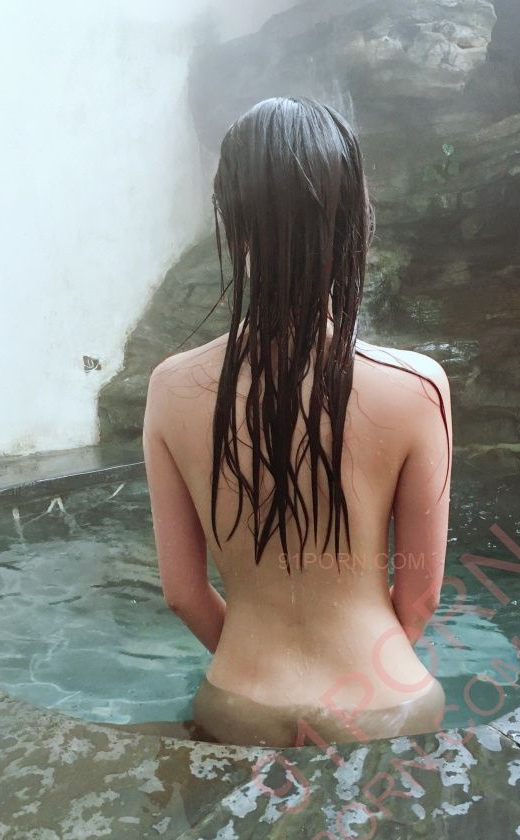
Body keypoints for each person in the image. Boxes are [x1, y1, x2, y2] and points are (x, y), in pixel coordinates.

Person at [142, 97, 452, 748]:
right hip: (383, 704)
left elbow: (182, 592)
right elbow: (420, 596)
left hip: (241, 700)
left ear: (232, 221)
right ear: (354, 219)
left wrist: (257, 669)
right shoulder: (417, 386)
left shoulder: (171, 389)